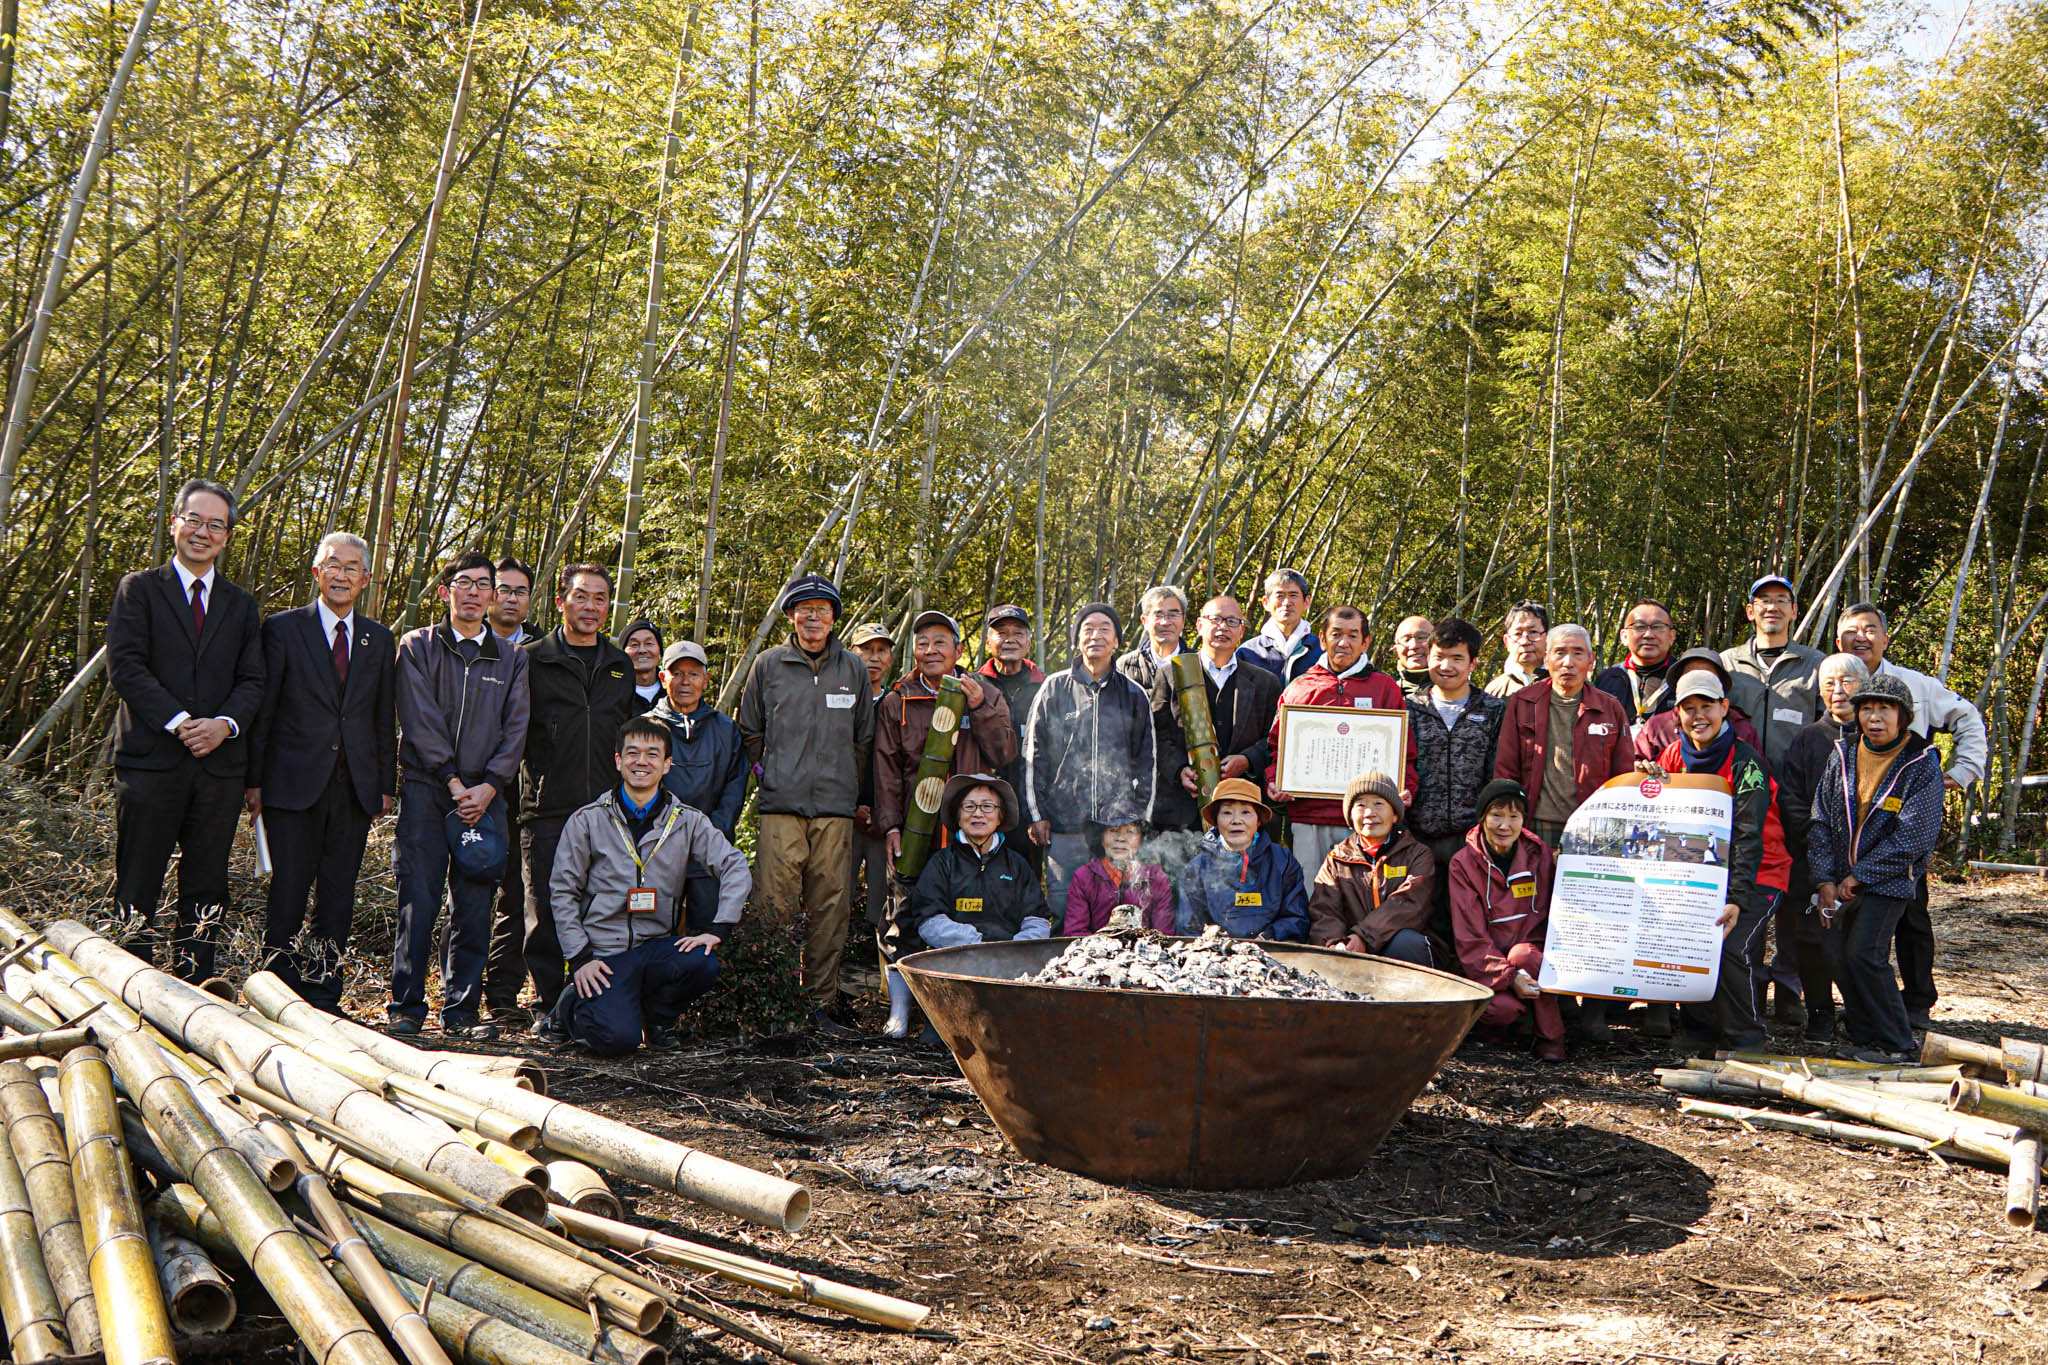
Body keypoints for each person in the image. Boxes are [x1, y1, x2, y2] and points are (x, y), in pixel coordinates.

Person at [106, 478, 266, 982]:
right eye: (194, 520)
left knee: (207, 884)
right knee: (138, 879)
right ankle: (131, 988)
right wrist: (181, 723)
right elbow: (126, 667)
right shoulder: (139, 589)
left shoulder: (240, 605)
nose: (202, 532)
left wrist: (223, 725)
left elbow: (253, 679)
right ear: (174, 522)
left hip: (217, 768)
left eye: (215, 525)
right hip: (150, 760)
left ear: (227, 537)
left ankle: (196, 987)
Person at [245, 531, 395, 1012]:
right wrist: (254, 781)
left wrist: (385, 785)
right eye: (333, 565)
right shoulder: (283, 628)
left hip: (353, 786)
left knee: (338, 894)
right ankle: (277, 992)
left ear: (366, 579)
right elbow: (265, 709)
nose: (341, 575)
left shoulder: (378, 638)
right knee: (288, 890)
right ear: (316, 572)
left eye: (352, 568)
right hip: (291, 782)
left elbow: (382, 715)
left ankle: (325, 992)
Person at [547, 716, 750, 1056]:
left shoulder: (687, 821)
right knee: (618, 1042)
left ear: (667, 764)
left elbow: (735, 865)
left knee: (702, 962)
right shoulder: (588, 820)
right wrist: (580, 958)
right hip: (604, 955)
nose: (641, 762)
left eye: (653, 754)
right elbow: (563, 891)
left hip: (655, 947)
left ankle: (658, 1022)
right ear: (618, 761)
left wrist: (719, 927)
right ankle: (567, 1007)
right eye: (632, 753)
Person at [390, 552, 529, 1039]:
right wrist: (451, 780)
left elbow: (516, 727)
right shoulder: (418, 645)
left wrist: (490, 785)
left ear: (493, 594)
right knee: (418, 898)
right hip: (427, 788)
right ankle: (406, 1006)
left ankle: (462, 1012)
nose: (473, 592)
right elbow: (418, 717)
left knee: (474, 903)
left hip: (486, 796)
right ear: (445, 591)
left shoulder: (512, 657)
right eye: (463, 583)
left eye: (483, 584)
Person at [1835, 602, 1987, 1028]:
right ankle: (1858, 1005)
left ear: (1885, 638)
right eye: (1852, 630)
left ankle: (1917, 1000)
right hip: (1847, 820)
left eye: (1870, 629)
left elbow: (1967, 717)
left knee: (1911, 915)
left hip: (1901, 825)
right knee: (1846, 923)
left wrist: (1961, 772)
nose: (1861, 637)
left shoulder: (1915, 684)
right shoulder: (1831, 678)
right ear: (1838, 640)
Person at [737, 574, 874, 1034]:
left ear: (834, 618)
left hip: (835, 809)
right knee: (773, 904)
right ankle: (773, 1005)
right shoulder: (768, 665)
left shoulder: (852, 668)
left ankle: (817, 1006)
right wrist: (771, 773)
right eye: (804, 609)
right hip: (782, 806)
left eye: (822, 609)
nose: (813, 617)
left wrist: (848, 787)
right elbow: (750, 729)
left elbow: (863, 736)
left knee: (830, 908)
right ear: (791, 616)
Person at [873, 610, 1016, 1034]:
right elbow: (885, 768)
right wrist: (890, 825)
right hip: (915, 829)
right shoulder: (898, 700)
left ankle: (957, 1012)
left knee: (962, 915)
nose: (931, 650)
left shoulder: (984, 692)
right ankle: (900, 1010)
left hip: (966, 830)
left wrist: (979, 707)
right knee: (902, 914)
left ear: (958, 649)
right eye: (923, 643)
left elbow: (1004, 753)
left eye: (940, 642)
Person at [1493, 622, 1635, 1040]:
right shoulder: (1523, 703)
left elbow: (1623, 776)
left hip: (1592, 834)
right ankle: (1549, 1005)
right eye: (1559, 653)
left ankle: (1593, 1009)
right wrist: (1510, 827)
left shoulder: (1609, 708)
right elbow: (1505, 768)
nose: (1568, 662)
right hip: (1534, 828)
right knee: (1537, 918)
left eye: (1577, 653)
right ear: (1546, 658)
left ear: (1592, 660)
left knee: (1594, 920)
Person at [520, 565, 638, 1036]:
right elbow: (514, 732)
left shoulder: (619, 665)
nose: (591, 607)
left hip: (606, 809)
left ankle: (588, 1005)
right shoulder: (532, 660)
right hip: (548, 804)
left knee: (601, 908)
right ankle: (548, 1006)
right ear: (561, 602)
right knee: (548, 908)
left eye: (600, 598)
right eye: (581, 597)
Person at [1808, 673, 1946, 1062]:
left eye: (1885, 709)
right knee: (1836, 954)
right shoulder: (1843, 753)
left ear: (1903, 716)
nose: (1875, 717)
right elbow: (1820, 818)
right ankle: (1865, 1032)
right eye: (1867, 708)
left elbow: (1914, 836)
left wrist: (1862, 875)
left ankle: (1897, 1043)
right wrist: (1825, 879)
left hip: (1889, 880)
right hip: (1839, 876)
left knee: (1865, 955)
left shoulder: (1920, 762)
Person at [1643, 671, 1781, 1052]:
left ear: (1724, 708)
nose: (1699, 716)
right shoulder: (1673, 756)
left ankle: (1747, 1038)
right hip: (1699, 872)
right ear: (1677, 714)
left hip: (1759, 871)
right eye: (1689, 708)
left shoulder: (1746, 763)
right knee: (1691, 941)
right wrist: (1647, 784)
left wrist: (1737, 898)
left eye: (1707, 706)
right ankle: (1699, 1032)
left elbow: (1750, 835)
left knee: (1732, 947)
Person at [1263, 605, 1414, 883]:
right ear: (1322, 639)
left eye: (1353, 636)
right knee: (1311, 891)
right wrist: (1275, 779)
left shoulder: (1384, 688)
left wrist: (1406, 788)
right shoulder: (1300, 687)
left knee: (1361, 894)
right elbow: (1277, 747)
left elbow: (1405, 752)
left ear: (1365, 642)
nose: (1343, 643)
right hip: (1309, 816)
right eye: (1336, 634)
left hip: (1366, 817)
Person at [1023, 603, 1155, 920]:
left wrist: (1140, 821)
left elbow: (1147, 763)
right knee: (1062, 909)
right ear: (1077, 640)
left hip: (1116, 827)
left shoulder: (1133, 693)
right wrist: (1038, 814)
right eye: (1088, 629)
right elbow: (1033, 756)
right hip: (1065, 825)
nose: (1096, 635)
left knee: (1118, 914)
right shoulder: (1054, 688)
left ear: (1117, 641)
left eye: (1104, 629)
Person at [1147, 595, 1282, 871]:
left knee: (1239, 883)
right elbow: (1156, 734)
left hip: (1241, 809)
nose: (1223, 627)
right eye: (1215, 619)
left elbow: (1273, 738)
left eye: (1232, 621)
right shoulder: (1172, 674)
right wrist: (1179, 770)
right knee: (1181, 886)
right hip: (1181, 810)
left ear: (1242, 630)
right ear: (1199, 625)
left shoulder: (1264, 682)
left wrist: (1247, 760)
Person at [1777, 652, 1870, 1045]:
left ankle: (1863, 1015)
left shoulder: (1877, 738)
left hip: (1865, 863)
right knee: (1811, 939)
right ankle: (1819, 1014)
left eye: (1847, 681)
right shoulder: (1808, 738)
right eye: (1829, 683)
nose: (1838, 690)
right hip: (1810, 858)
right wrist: (1819, 846)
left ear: (1865, 686)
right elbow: (1791, 799)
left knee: (1861, 945)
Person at [1449, 779, 1563, 1061]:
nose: (1505, 825)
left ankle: (1551, 1037)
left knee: (1524, 954)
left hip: (1531, 955)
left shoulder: (1539, 855)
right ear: (1482, 818)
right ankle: (1499, 1030)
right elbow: (1470, 938)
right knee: (1499, 1010)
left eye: (1514, 816)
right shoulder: (1463, 863)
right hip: (1485, 965)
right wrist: (1510, 978)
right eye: (1496, 815)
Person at [1406, 617, 1506, 927]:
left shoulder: (1493, 710)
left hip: (1470, 837)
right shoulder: (1408, 708)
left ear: (1473, 663)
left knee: (1466, 918)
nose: (1446, 666)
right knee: (1419, 917)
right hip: (1417, 835)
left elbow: (1496, 773)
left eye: (1457, 658)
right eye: (1439, 656)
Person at [647, 640, 749, 935]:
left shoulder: (725, 729)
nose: (685, 681)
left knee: (705, 933)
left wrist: (712, 834)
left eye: (693, 674)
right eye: (677, 673)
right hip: (658, 850)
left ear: (706, 680)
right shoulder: (646, 727)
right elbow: (636, 786)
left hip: (709, 849)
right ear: (662, 678)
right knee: (651, 931)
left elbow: (735, 785)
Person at [482, 555, 540, 1023]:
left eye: (520, 591)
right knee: (465, 893)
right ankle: (458, 993)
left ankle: (503, 996)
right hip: (466, 787)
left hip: (525, 792)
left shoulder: (541, 652)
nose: (511, 599)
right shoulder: (458, 641)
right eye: (503, 589)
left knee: (517, 896)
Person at [1307, 771, 1440, 966]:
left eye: (1378, 803)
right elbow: (1324, 911)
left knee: (1406, 942)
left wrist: (1364, 937)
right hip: (1353, 949)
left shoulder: (1417, 854)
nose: (1369, 813)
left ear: (1395, 815)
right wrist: (1335, 944)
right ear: (1350, 816)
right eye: (1361, 805)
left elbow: (1409, 903)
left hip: (1401, 947)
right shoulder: (1335, 859)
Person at [908, 775, 1052, 948]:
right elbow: (928, 919)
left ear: (1000, 817)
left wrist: (1014, 951)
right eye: (969, 806)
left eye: (987, 806)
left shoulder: (1016, 864)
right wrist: (975, 945)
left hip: (1011, 956)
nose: (977, 813)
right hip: (955, 956)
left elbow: (1037, 918)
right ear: (958, 816)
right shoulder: (942, 863)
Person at [1176, 777, 1308, 940]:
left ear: (1258, 820)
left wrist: (1268, 938)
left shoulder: (1282, 861)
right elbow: (1189, 928)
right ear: (1215, 821)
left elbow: (1296, 918)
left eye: (1245, 812)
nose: (1236, 820)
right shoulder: (1198, 868)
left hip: (1273, 949)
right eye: (1227, 813)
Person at [1722, 574, 1826, 771]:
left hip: (1794, 783)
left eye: (1781, 600)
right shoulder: (1727, 663)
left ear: (1793, 611)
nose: (1772, 607)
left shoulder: (1816, 664)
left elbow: (1830, 726)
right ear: (1750, 611)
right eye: (1764, 600)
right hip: (1737, 780)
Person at [846, 621, 896, 956]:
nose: (873, 658)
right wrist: (850, 807)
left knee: (884, 904)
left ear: (891, 658)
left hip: (882, 819)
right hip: (840, 814)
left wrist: (883, 812)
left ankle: (881, 975)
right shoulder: (837, 699)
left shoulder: (897, 702)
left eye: (881, 651)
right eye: (866, 650)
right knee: (834, 898)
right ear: (852, 654)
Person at [1633, 650, 1762, 761]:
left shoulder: (1741, 729)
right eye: (1690, 676)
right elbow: (1635, 771)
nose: (1698, 682)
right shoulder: (1657, 728)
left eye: (1707, 676)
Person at [1062, 821, 1175, 934]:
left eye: (1130, 831)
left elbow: (1163, 934)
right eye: (1113, 830)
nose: (1120, 838)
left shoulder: (1156, 879)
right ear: (1101, 836)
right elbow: (1075, 931)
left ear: (1141, 838)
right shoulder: (1085, 876)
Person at [1593, 599, 1679, 735]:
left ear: (1671, 636)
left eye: (1658, 627)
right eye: (1639, 627)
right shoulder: (1608, 679)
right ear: (1624, 636)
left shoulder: (1684, 677)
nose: (1649, 635)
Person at [1239, 569, 1322, 682]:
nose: (1286, 602)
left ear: (1306, 602)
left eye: (1293, 595)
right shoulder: (1248, 652)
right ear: (1266, 603)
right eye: (1280, 595)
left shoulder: (1321, 651)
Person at [1115, 585, 1192, 692]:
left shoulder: (1198, 664)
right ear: (1144, 621)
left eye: (1173, 615)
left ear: (1183, 620)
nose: (1165, 622)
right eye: (1158, 615)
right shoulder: (1125, 666)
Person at [1484, 601, 1550, 698]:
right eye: (1518, 634)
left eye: (1533, 632)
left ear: (1548, 637)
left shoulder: (1565, 682)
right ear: (1506, 641)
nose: (1525, 641)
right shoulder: (1495, 691)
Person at [619, 619, 664, 712]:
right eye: (634, 644)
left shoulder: (672, 690)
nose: (642, 650)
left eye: (649, 643)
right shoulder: (612, 692)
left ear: (660, 650)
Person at [1393, 615, 1435, 697]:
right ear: (1396, 650)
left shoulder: (1454, 689)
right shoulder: (1384, 690)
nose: (1414, 645)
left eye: (1421, 638)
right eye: (1406, 640)